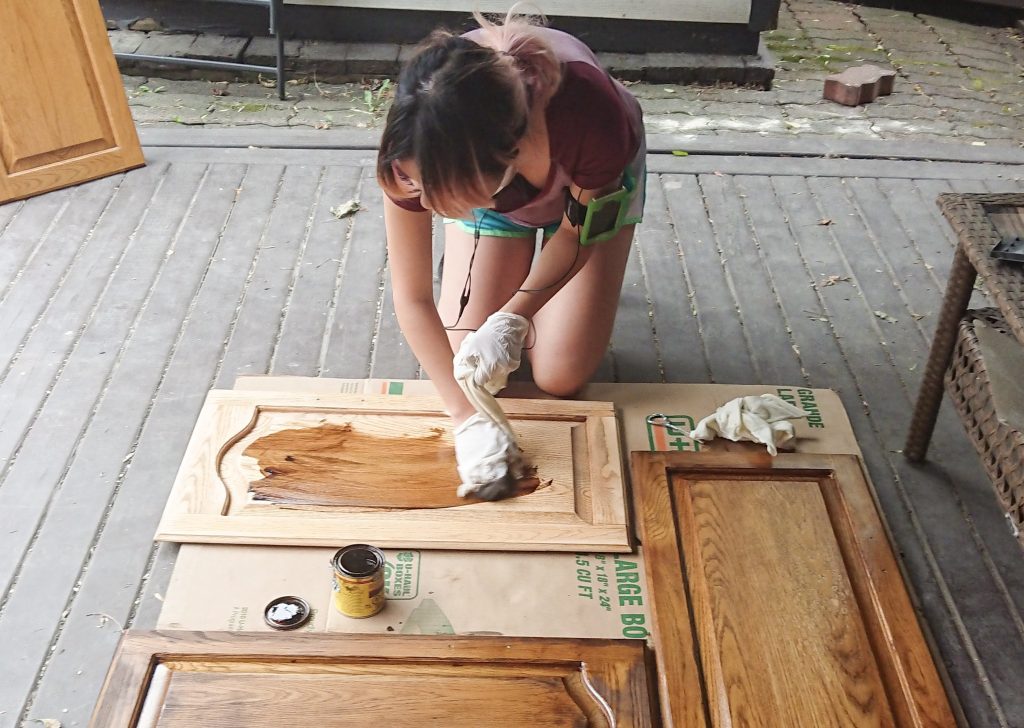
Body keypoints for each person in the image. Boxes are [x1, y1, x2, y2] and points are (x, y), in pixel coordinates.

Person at [376, 8, 645, 498]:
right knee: (466, 365)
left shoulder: (593, 118)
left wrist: (513, 318)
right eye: (419, 187)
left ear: (508, 153)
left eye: (441, 195)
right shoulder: (416, 149)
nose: (425, 204)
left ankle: (534, 290)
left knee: (561, 374)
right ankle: (496, 258)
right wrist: (466, 419)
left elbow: (578, 231)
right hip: (488, 197)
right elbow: (411, 296)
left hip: (581, 189)